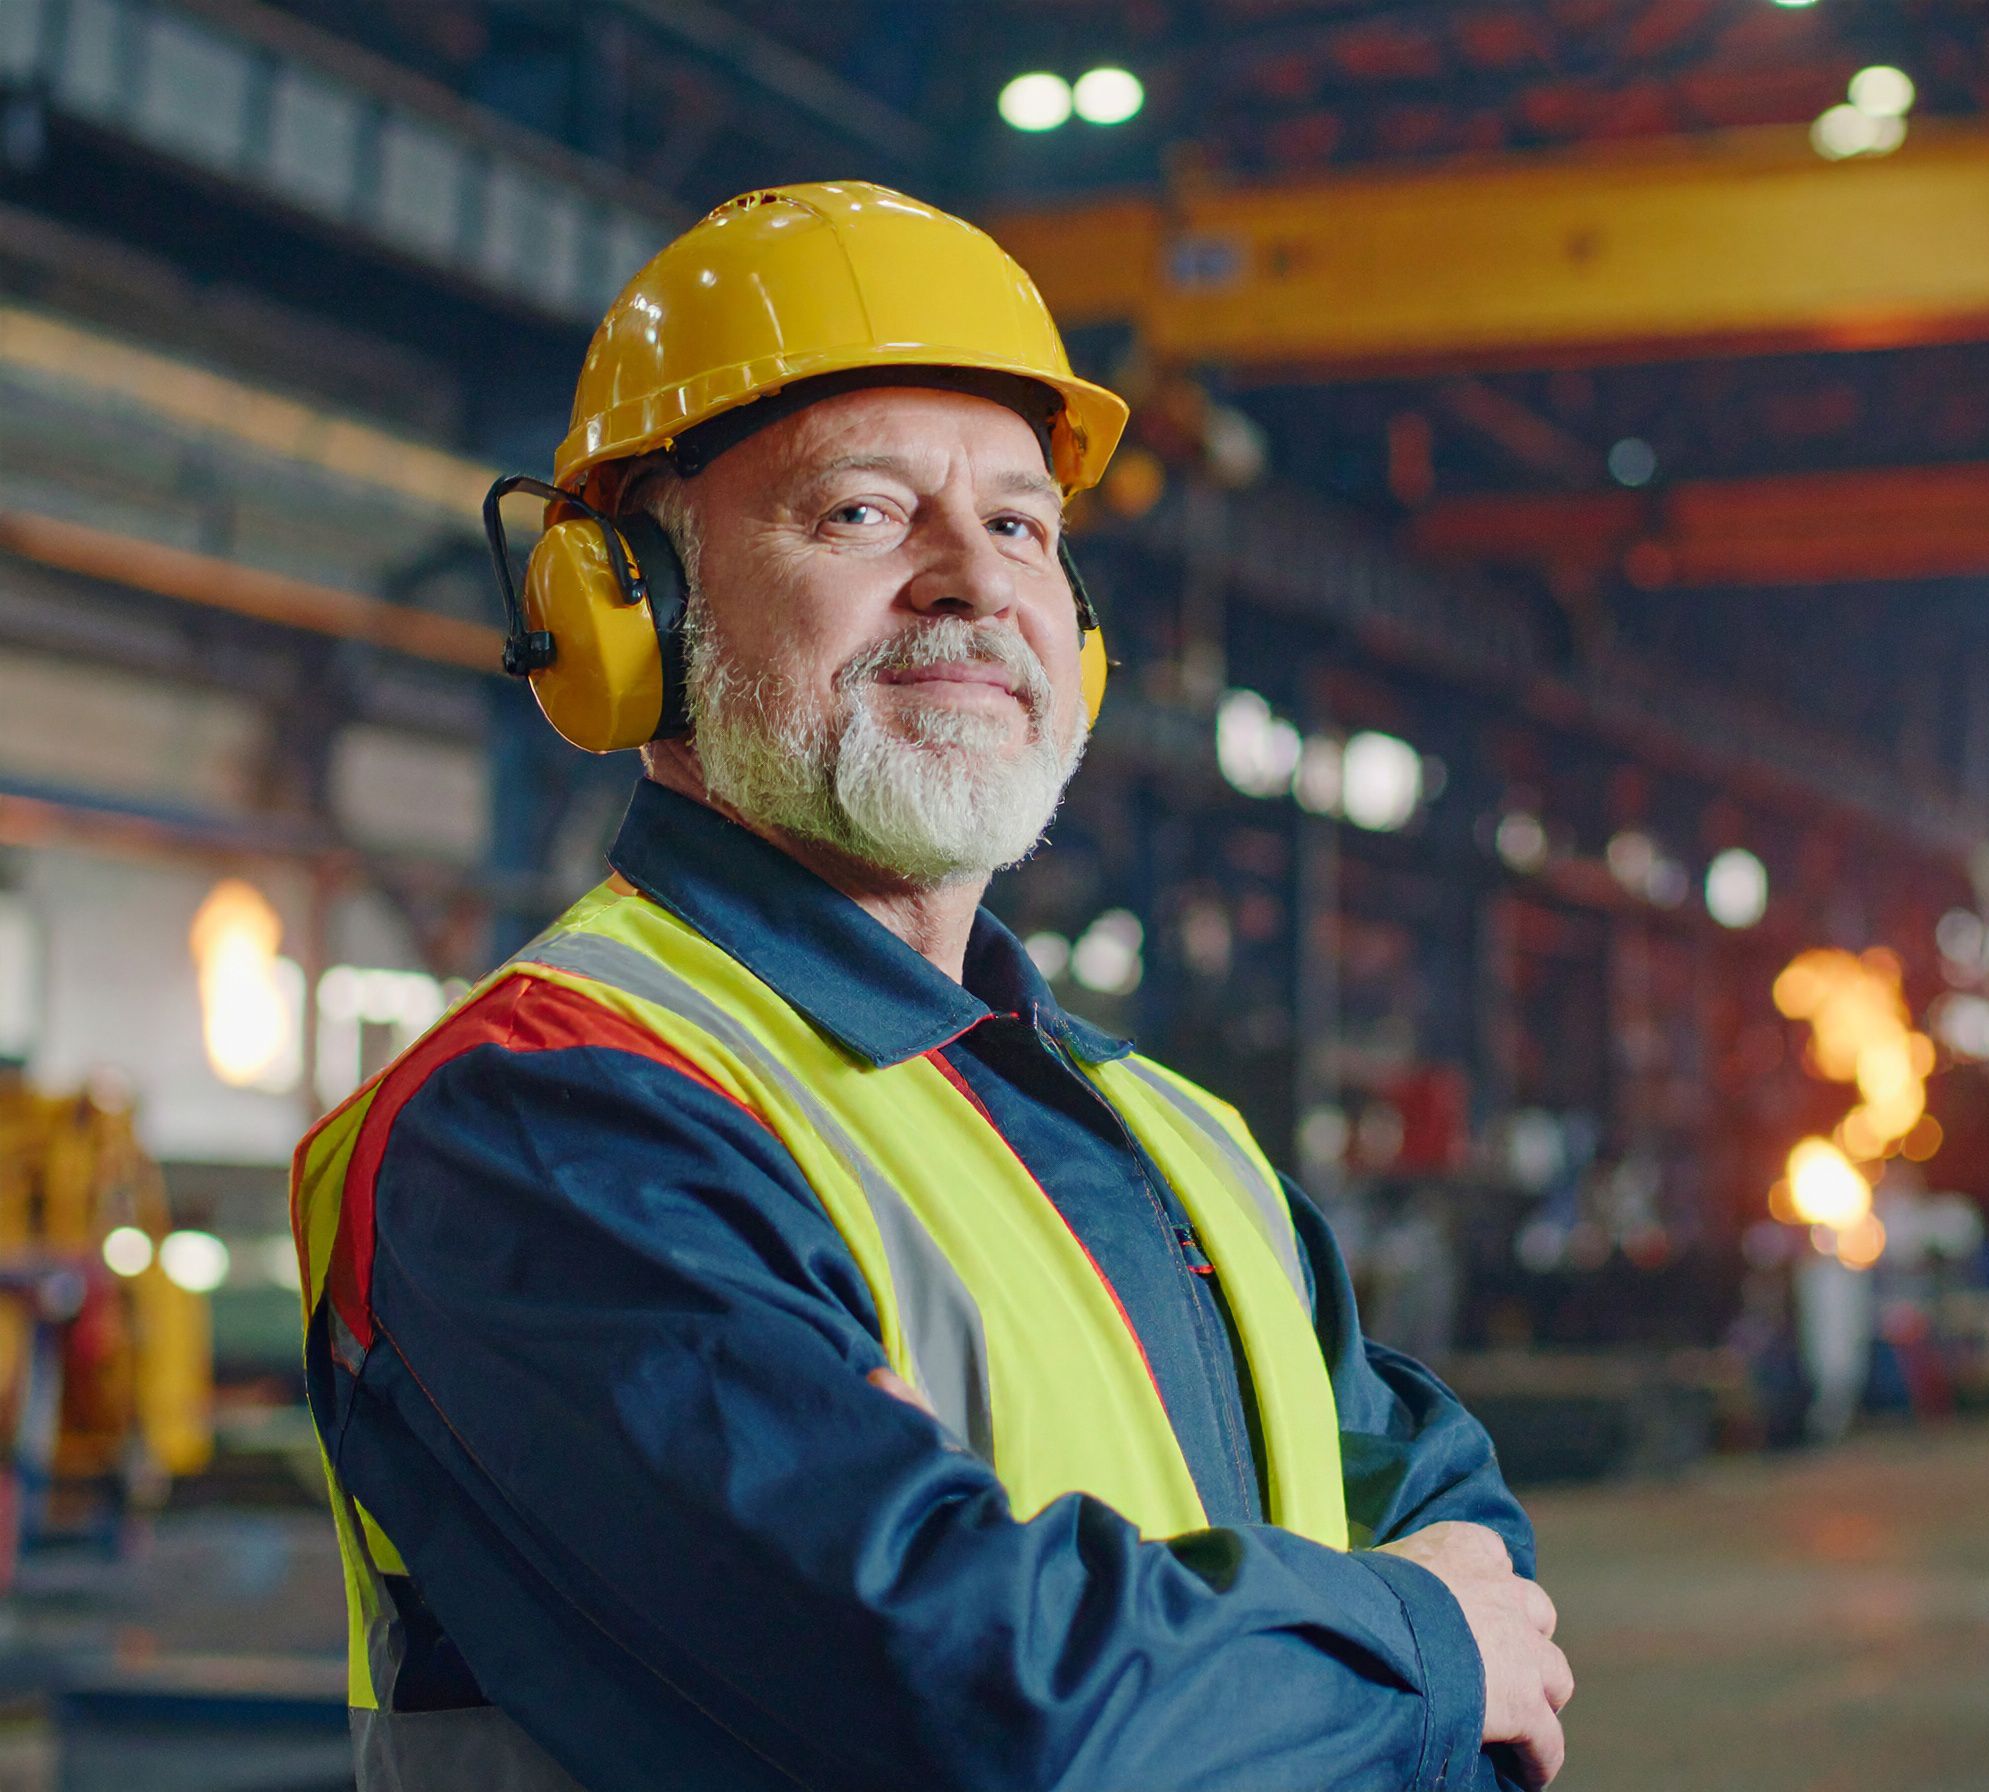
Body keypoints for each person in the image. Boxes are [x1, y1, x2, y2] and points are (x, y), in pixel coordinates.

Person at [290, 183, 1569, 1791]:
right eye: (863, 514)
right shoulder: (545, 1127)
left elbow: (1450, 1512)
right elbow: (971, 1702)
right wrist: (1414, 1652)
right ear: (631, 611)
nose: (972, 580)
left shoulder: (1177, 1138)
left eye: (1022, 526)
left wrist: (1330, 1653)